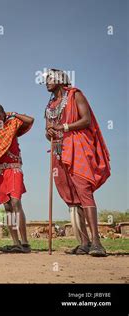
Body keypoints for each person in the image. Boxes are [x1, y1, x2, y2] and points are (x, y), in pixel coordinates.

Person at [44, 69, 110, 257]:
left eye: (50, 78)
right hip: (58, 149)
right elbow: (47, 129)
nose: (47, 82)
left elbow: (86, 120)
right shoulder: (49, 105)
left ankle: (97, 243)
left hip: (77, 145)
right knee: (70, 195)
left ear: (61, 80)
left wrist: (63, 126)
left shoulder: (75, 95)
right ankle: (84, 243)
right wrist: (49, 133)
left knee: (83, 190)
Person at [0, 104, 34, 253]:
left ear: (4, 114)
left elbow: (30, 120)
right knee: (7, 207)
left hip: (13, 168)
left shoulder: (13, 125)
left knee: (16, 202)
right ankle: (15, 242)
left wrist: (14, 113)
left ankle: (25, 242)